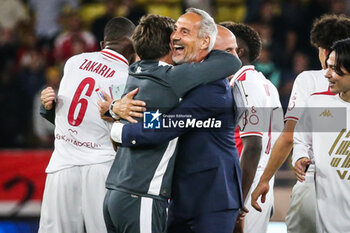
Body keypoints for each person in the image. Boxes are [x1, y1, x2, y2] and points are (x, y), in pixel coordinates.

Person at [107, 9, 244, 233]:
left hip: (212, 199)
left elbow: (162, 126)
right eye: (175, 30)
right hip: (180, 197)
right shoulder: (175, 77)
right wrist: (115, 107)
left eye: (184, 31)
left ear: (205, 43)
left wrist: (118, 130)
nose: (175, 36)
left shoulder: (212, 89)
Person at [250, 14, 350, 233]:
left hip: (313, 179)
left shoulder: (309, 80)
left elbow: (288, 136)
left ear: (324, 50)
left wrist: (265, 179)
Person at [38, 17, 136, 233]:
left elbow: (64, 112)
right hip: (101, 165)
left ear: (103, 44)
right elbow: (120, 131)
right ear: (133, 45)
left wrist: (47, 108)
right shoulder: (127, 76)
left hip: (62, 164)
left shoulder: (74, 62)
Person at [220, 22, 284, 233]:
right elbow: (276, 139)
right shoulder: (267, 85)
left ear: (238, 51)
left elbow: (253, 146)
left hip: (244, 185)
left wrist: (238, 201)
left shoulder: (244, 85)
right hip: (259, 182)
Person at [294, 38, 350, 232]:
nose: (326, 74)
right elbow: (301, 138)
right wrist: (301, 155)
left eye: (335, 69)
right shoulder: (319, 104)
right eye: (328, 67)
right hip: (327, 215)